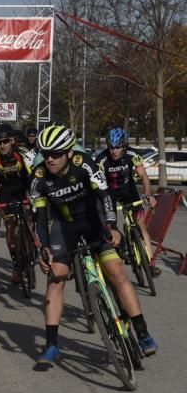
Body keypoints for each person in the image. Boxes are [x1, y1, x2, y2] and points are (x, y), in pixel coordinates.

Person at [30, 124, 157, 365]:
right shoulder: (38, 179)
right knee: (55, 278)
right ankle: (52, 344)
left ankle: (142, 333)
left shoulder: (84, 162)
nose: (50, 159)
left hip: (93, 222)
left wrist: (111, 225)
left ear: (68, 152)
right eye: (45, 153)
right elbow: (38, 217)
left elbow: (105, 195)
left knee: (117, 272)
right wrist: (42, 249)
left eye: (56, 153)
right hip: (63, 227)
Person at [98, 127, 160, 277]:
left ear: (124, 146)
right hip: (109, 193)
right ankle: (122, 243)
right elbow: (98, 185)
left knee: (141, 225)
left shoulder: (133, 154)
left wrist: (147, 194)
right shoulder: (101, 159)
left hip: (129, 191)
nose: (114, 151)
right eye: (111, 147)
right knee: (109, 227)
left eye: (118, 147)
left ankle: (150, 263)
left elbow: (143, 176)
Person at [0, 123, 33, 283]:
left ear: (12, 140)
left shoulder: (23, 152)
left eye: (5, 141)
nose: (2, 145)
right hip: (7, 191)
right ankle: (17, 265)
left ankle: (32, 242)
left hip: (25, 186)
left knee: (31, 217)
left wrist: (35, 195)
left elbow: (33, 175)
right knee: (11, 226)